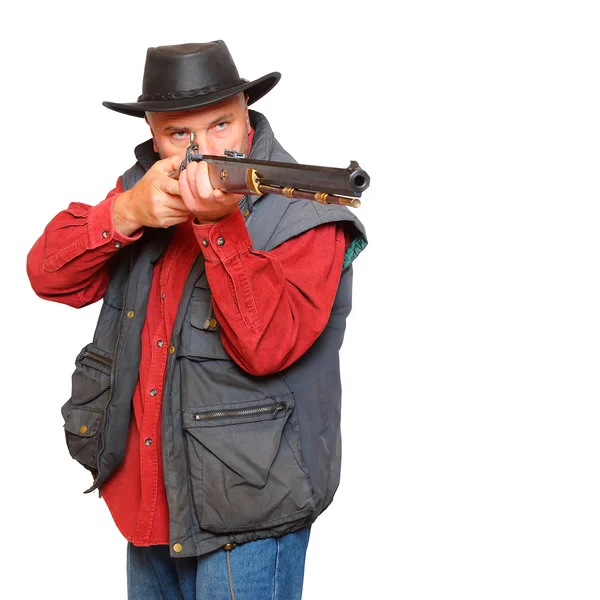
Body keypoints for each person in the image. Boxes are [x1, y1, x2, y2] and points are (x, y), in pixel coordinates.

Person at [27, 40, 367, 600]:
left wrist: (219, 227)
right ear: (155, 135)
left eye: (220, 126)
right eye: (180, 134)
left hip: (252, 512)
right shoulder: (144, 190)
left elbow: (268, 347)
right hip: (152, 499)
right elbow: (48, 276)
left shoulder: (309, 213)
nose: (203, 149)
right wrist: (125, 212)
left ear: (245, 116)